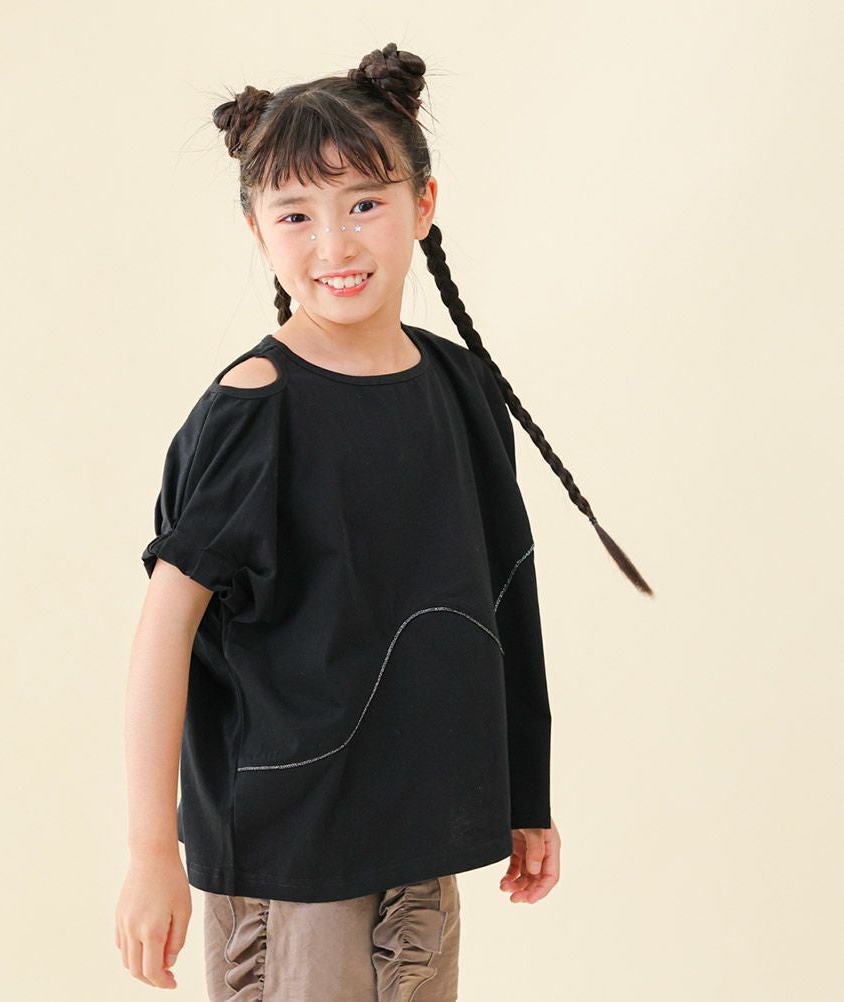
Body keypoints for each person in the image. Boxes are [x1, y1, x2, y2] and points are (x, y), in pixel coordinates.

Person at [115, 42, 653, 1000]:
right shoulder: (256, 409)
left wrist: (524, 790)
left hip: (420, 839)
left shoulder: (461, 387)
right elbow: (166, 627)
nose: (335, 245)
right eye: (296, 214)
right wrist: (152, 851)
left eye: (365, 203)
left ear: (423, 203)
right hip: (292, 854)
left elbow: (502, 593)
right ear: (257, 230)